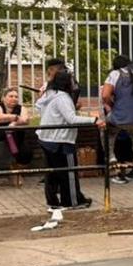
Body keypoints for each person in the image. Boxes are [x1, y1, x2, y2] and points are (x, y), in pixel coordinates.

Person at [36, 70, 103, 211]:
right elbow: (71, 119)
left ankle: (53, 202)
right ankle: (72, 201)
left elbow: (39, 106)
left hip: (45, 137)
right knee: (69, 172)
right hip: (61, 140)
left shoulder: (49, 94)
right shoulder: (63, 98)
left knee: (52, 173)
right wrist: (94, 120)